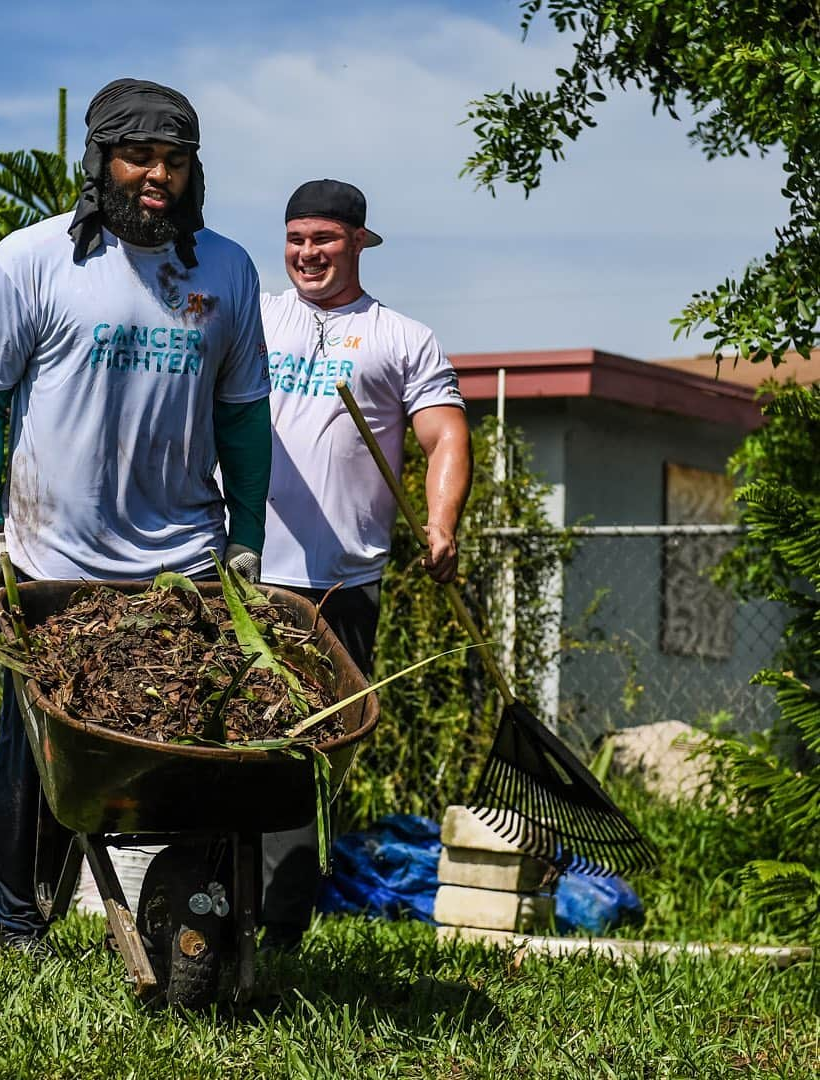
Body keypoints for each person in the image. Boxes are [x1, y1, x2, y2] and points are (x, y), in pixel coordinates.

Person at [0, 79, 271, 955]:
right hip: (56, 557)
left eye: (174, 160)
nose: (157, 176)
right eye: (139, 157)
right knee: (38, 744)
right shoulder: (32, 260)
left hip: (183, 557)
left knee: (204, 739)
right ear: (100, 164)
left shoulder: (227, 270)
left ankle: (198, 909)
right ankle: (17, 915)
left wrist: (247, 536)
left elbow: (243, 414)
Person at [258, 179, 473, 949]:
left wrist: (441, 524)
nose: (307, 254)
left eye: (323, 239)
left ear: (357, 242)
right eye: (295, 239)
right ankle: (209, 907)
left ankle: (278, 932)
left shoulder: (400, 338)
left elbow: (445, 436)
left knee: (313, 756)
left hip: (338, 585)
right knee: (225, 745)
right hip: (240, 572)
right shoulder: (251, 320)